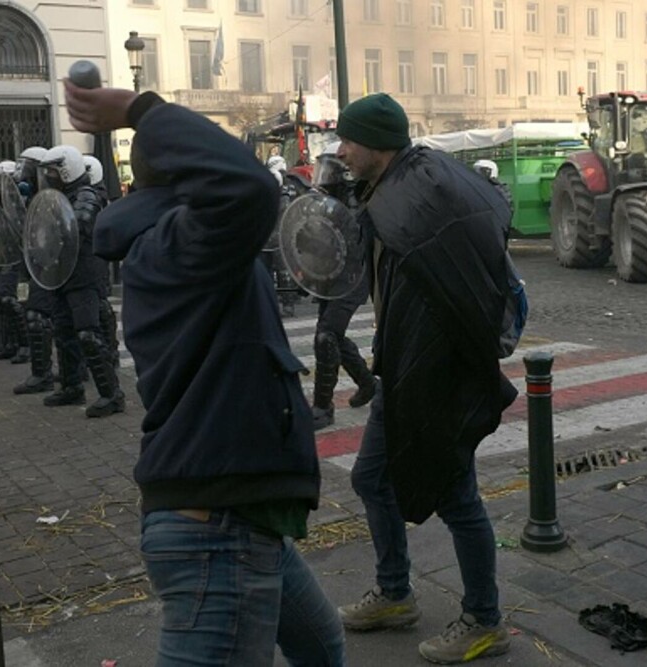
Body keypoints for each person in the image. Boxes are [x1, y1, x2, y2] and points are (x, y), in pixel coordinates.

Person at [64, 80, 345, 666]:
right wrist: (144, 112)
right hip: (217, 528)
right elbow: (246, 188)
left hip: (236, 511)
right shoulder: (178, 243)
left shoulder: (167, 242)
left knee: (322, 647)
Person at [334, 93, 517, 664]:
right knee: (371, 479)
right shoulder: (393, 190)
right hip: (402, 371)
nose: (341, 152)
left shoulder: (423, 192)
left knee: (458, 496)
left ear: (376, 144)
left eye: (349, 141)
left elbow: (472, 284)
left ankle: (485, 622)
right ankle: (395, 594)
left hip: (437, 377)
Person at [37, 145, 125, 419]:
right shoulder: (61, 196)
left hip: (83, 274)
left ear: (67, 169)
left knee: (88, 333)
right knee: (63, 330)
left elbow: (77, 225)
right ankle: (72, 386)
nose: (49, 176)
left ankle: (112, 394)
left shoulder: (86, 195)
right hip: (63, 274)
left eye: (53, 171)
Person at [310, 148, 377, 430]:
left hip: (352, 279)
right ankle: (367, 383)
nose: (320, 179)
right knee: (331, 334)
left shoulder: (352, 203)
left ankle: (323, 407)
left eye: (326, 173)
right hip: (331, 278)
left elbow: (352, 245)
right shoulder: (325, 202)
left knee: (326, 336)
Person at [12, 147, 59, 396]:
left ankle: (43, 375)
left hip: (47, 266)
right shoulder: (30, 198)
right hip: (32, 264)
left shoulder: (51, 197)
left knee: (37, 316)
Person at [0, 160, 30, 364]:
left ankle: (25, 345)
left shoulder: (22, 201)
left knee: (11, 300)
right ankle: (10, 344)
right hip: (1, 255)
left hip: (17, 257)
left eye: (3, 179)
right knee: (2, 301)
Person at [83, 154, 120, 369]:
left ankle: (110, 351)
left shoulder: (96, 197)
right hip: (95, 256)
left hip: (96, 257)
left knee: (101, 306)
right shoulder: (93, 195)